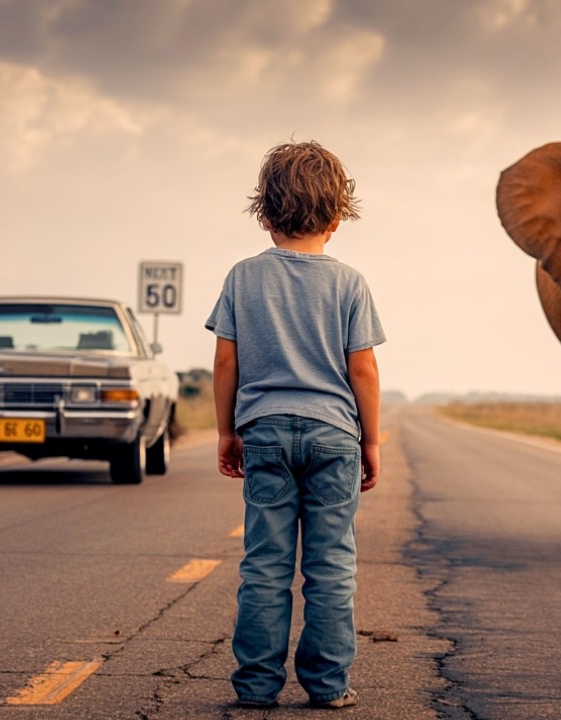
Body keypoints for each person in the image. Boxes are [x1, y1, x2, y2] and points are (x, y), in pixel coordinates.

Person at [207, 141, 385, 710]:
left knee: (265, 565)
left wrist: (227, 432)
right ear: (337, 219)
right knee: (331, 566)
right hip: (334, 436)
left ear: (264, 214)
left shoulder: (242, 278)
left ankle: (256, 686)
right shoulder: (350, 283)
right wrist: (370, 440)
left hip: (264, 432)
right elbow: (363, 370)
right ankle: (327, 685)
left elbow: (226, 362)